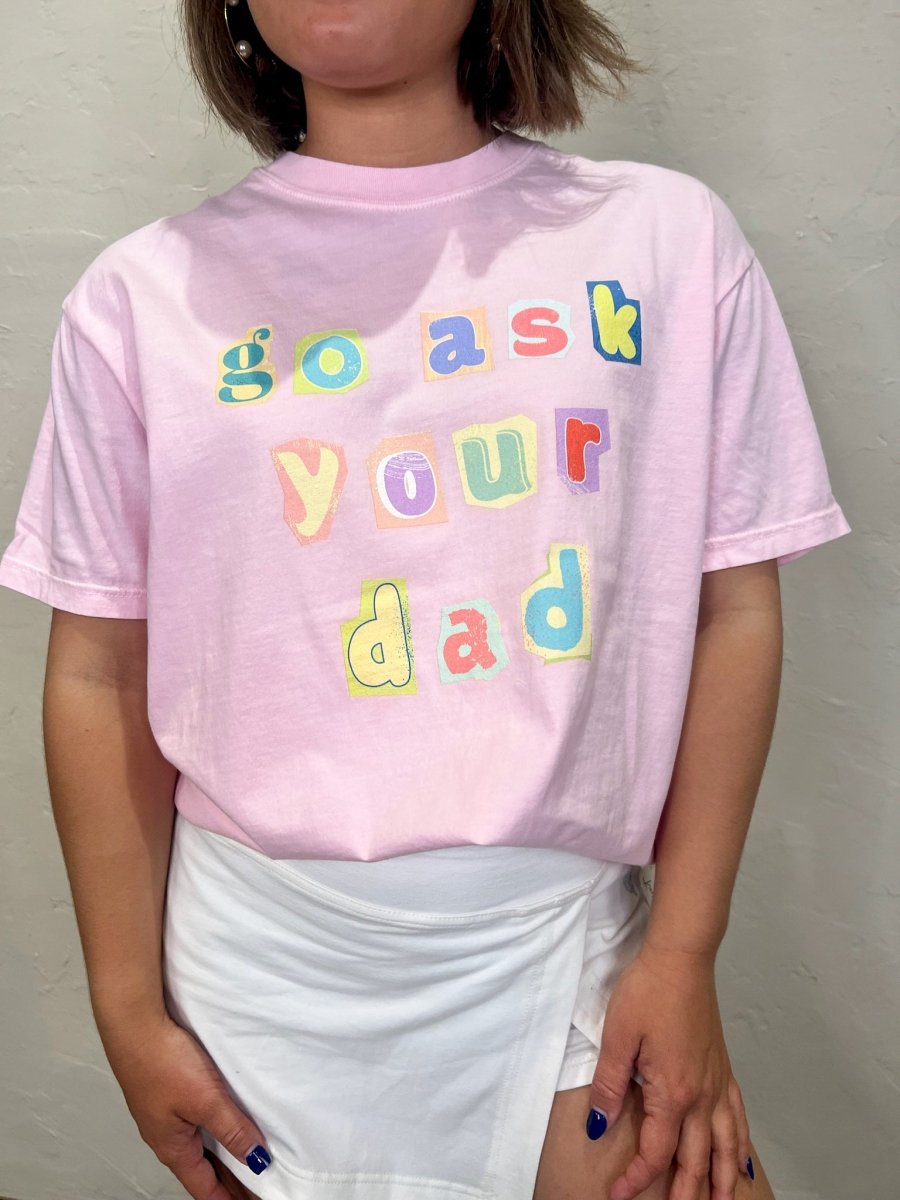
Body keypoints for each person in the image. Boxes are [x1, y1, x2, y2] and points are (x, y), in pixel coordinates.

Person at [0, 1, 852, 1198]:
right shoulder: (140, 299)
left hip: (564, 960)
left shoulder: (664, 242)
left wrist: (685, 948)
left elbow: (730, 612)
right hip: (259, 991)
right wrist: (125, 1008)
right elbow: (99, 671)